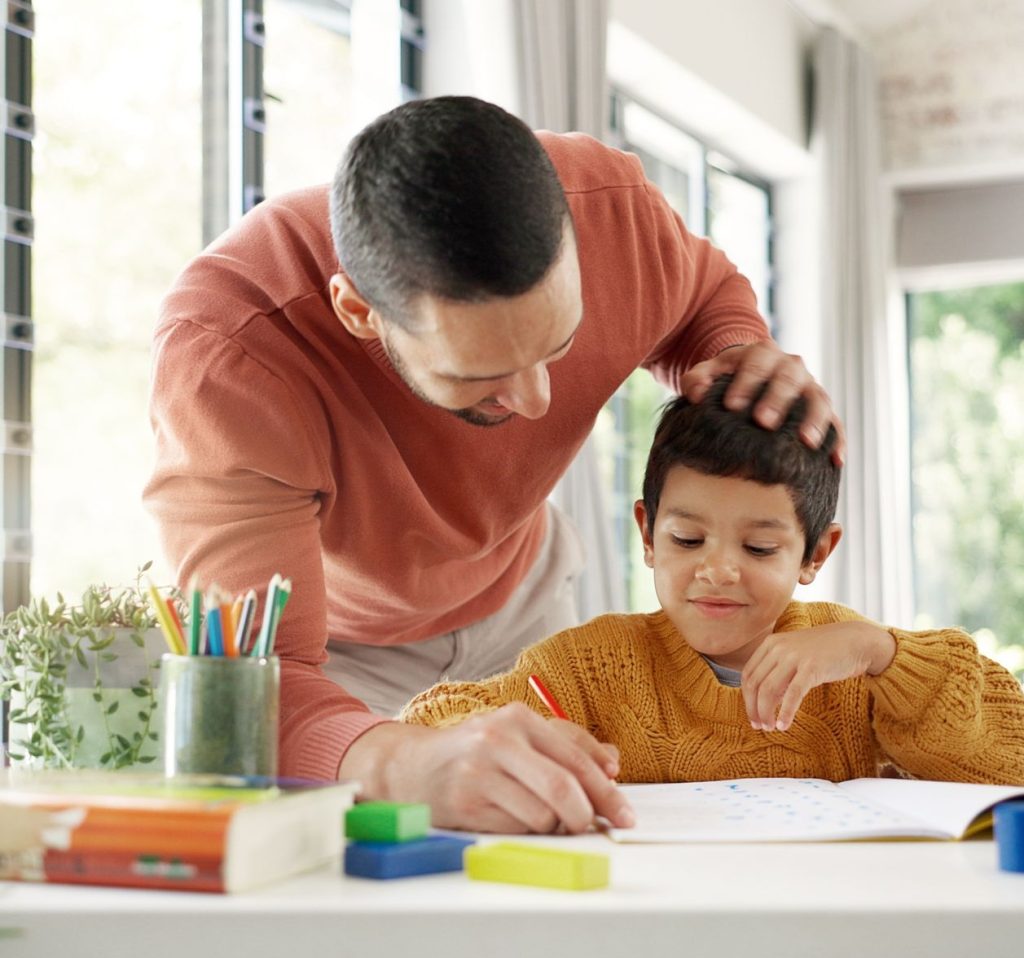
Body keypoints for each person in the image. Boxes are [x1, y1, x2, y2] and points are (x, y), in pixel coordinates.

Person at [145, 95, 844, 833]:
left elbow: (702, 297)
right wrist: (402, 764)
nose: (538, 401)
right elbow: (256, 685)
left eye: (558, 344)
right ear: (359, 314)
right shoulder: (229, 358)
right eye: (481, 377)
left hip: (524, 589)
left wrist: (736, 355)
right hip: (343, 656)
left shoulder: (610, 213)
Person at [401, 374, 1024, 958]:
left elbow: (1009, 757)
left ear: (815, 552)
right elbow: (434, 731)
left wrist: (881, 653)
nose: (718, 569)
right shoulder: (587, 666)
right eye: (687, 540)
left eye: (759, 548)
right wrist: (501, 747)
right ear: (647, 533)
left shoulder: (854, 662)